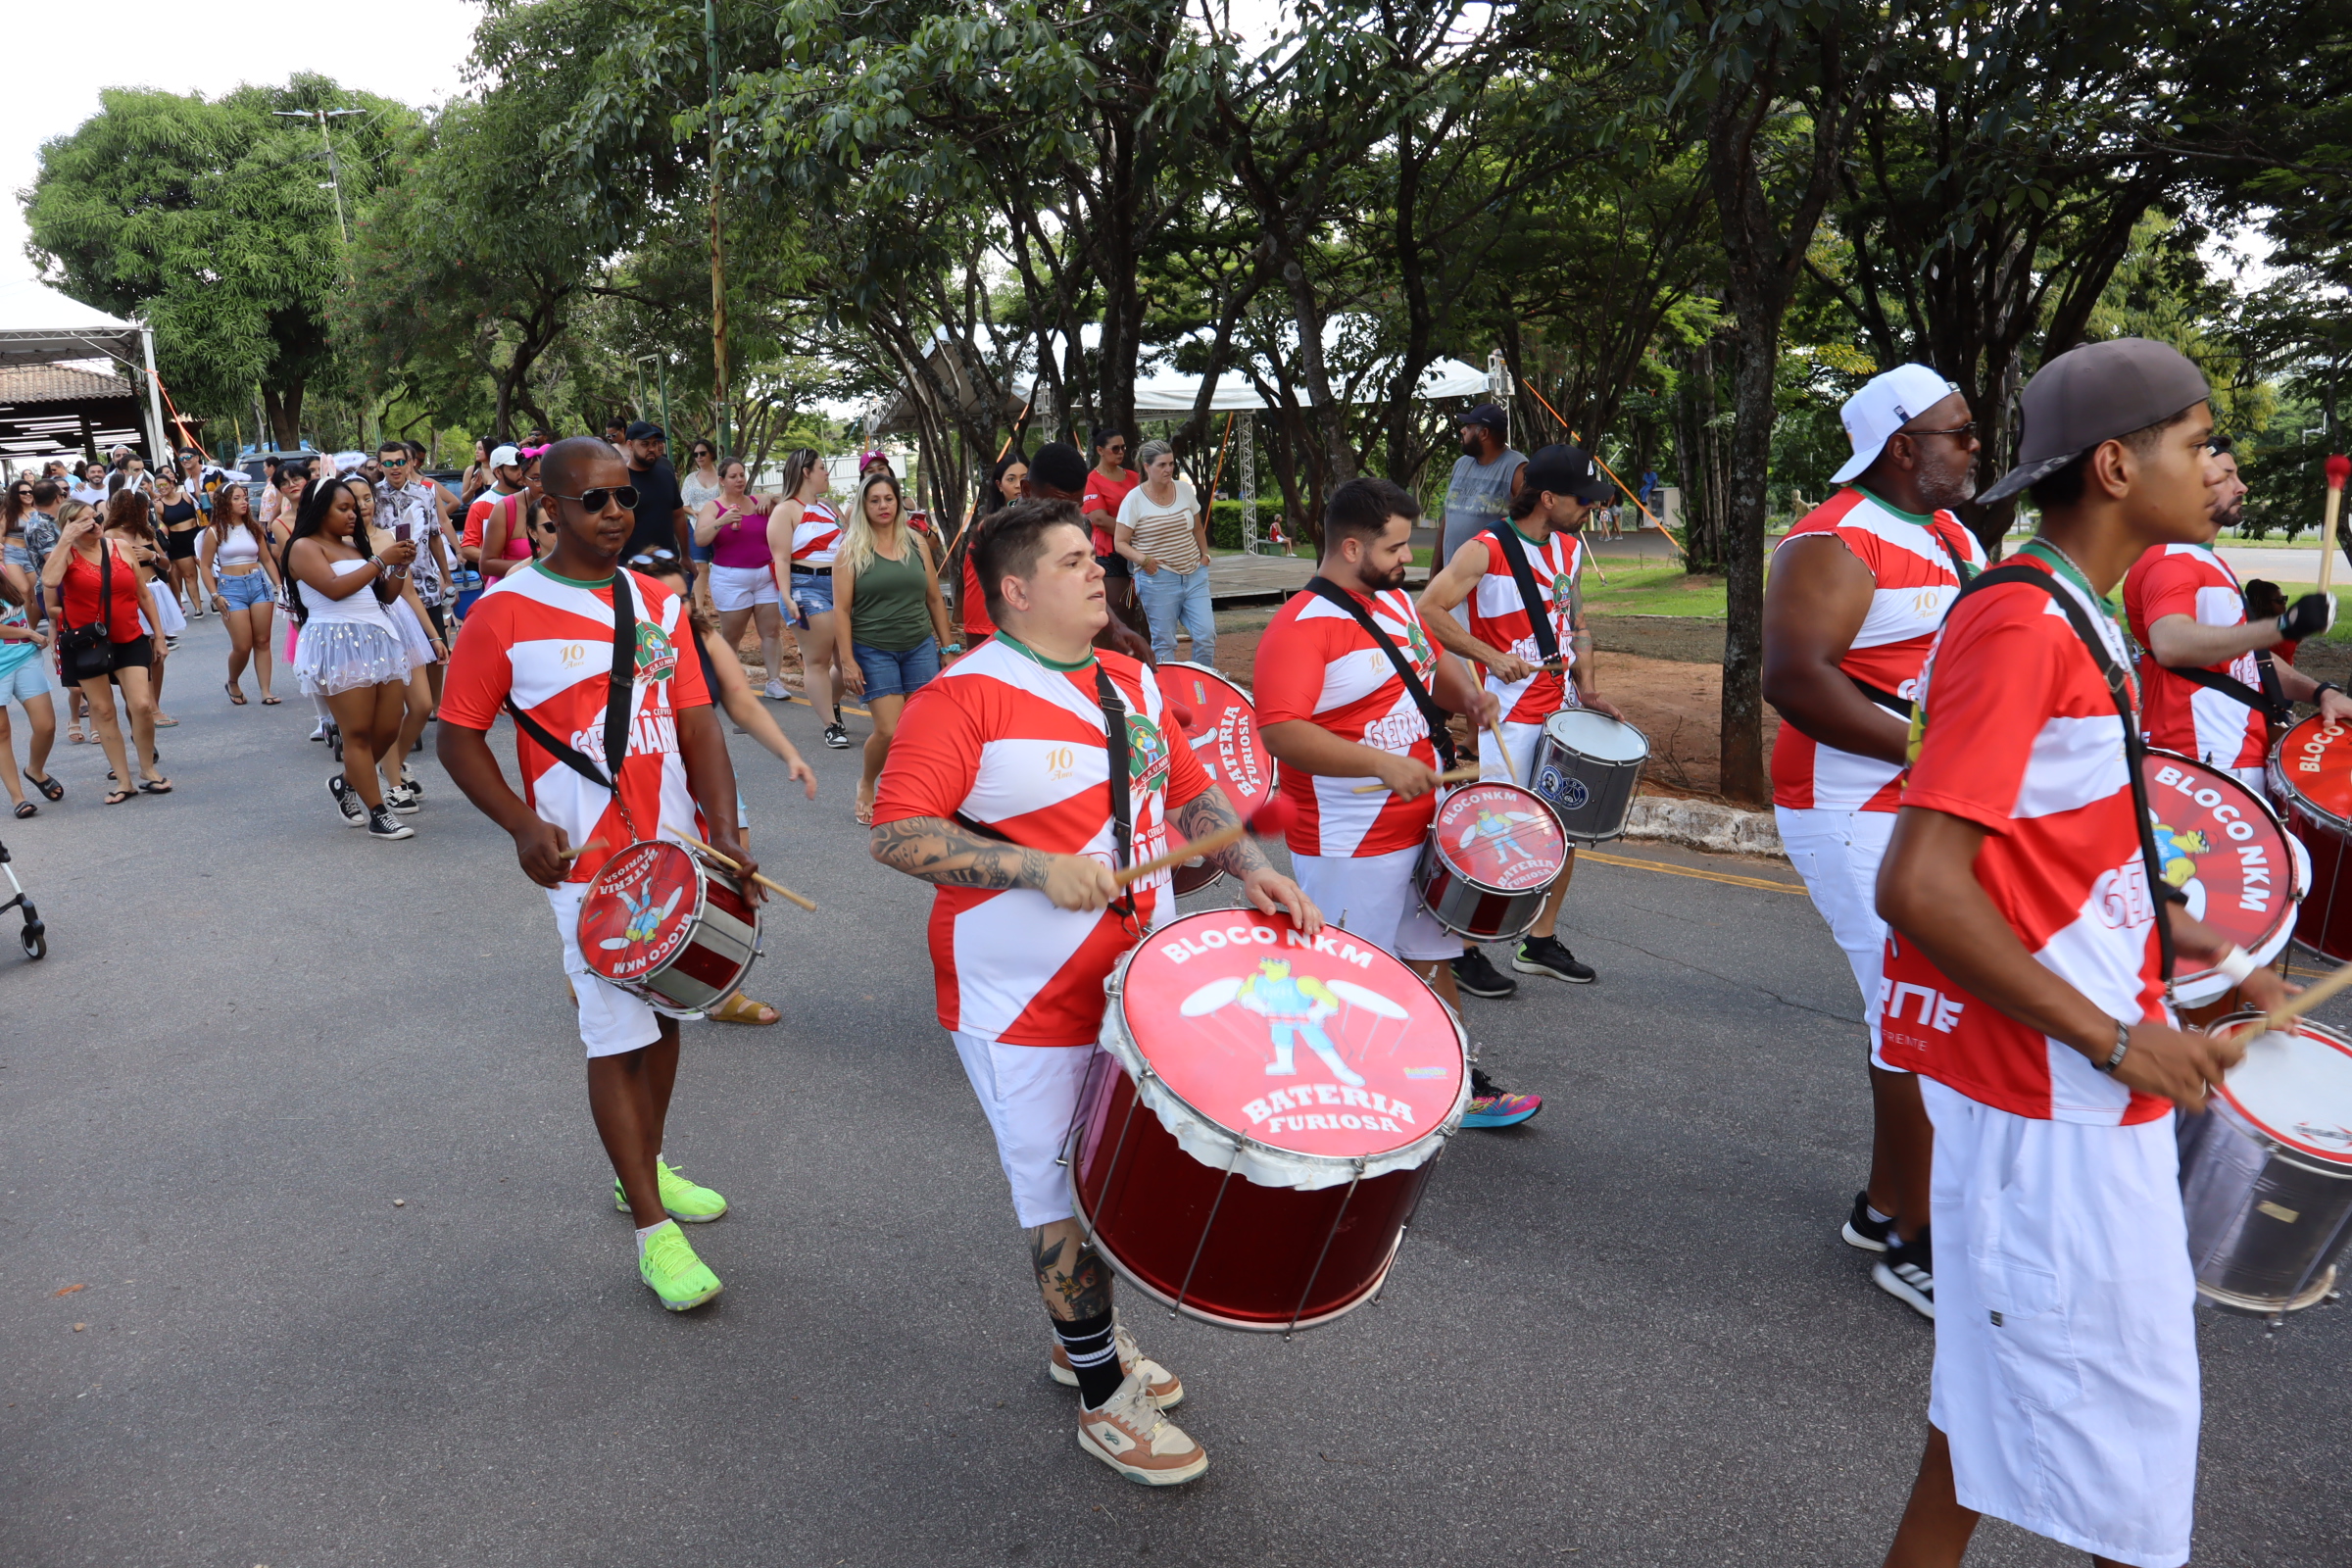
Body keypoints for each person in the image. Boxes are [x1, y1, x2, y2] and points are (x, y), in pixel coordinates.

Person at [1875, 338, 2277, 1568]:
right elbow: (1921, 882)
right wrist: (2117, 1035)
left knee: (1982, 1430)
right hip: (2054, 1105)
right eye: (2198, 441)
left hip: (2070, 1092)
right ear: (2115, 464)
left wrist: (2189, 939)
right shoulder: (2023, 624)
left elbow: (2048, 846)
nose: (2216, 465)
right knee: (2134, 1462)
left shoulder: (2079, 614)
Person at [869, 495, 1318, 1485]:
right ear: (1018, 588)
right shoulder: (965, 694)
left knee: (1112, 1173)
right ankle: (1102, 1394)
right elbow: (897, 829)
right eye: (1073, 559)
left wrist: (1251, 867)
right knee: (1055, 1195)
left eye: (1094, 556)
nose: (1094, 570)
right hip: (1018, 998)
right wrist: (1033, 869)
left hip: (1135, 980)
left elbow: (1190, 791)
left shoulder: (1130, 679)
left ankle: (1086, 1341)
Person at [438, 436, 757, 1312]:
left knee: (667, 1014)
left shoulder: (657, 599)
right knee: (616, 1034)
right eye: (595, 501)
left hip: (676, 856)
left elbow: (697, 725)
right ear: (549, 508)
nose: (616, 513)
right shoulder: (503, 610)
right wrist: (517, 824)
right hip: (588, 870)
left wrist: (724, 835)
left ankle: (641, 1170)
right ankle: (656, 1231)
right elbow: (456, 735)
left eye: (625, 498)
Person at [1759, 363, 1991, 1320]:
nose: (1975, 446)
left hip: (1923, 798)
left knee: (1913, 1005)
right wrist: (1930, 749)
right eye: (1960, 433)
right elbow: (1797, 678)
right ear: (1904, 446)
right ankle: (1919, 1243)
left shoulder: (1948, 533)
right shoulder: (1834, 538)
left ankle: (1884, 1204)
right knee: (1916, 1011)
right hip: (1848, 805)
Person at [1253, 477, 1540, 1129]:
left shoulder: (1393, 604)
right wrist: (1381, 764)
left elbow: (1428, 662)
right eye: (1397, 547)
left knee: (1428, 954)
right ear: (1352, 548)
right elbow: (1280, 730)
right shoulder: (1301, 628)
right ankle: (1334, 1109)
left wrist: (1468, 696)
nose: (1408, 559)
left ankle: (1456, 1080)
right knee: (1350, 978)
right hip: (1349, 841)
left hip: (1422, 823)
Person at [1419, 443, 1620, 991]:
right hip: (1509, 715)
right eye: (1584, 499)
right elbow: (1429, 609)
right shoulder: (1486, 550)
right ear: (1548, 497)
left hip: (1562, 706)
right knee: (1497, 830)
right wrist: (1489, 657)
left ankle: (1539, 941)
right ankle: (1461, 945)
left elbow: (1576, 622)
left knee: (1566, 827)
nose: (1592, 508)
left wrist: (1590, 687)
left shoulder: (1571, 547)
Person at [627, 541, 815, 1026]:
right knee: (644, 883)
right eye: (665, 600)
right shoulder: (617, 638)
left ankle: (720, 988)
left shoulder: (702, 635)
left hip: (706, 773)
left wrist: (789, 753)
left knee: (730, 876)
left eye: (683, 599)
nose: (676, 609)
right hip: (642, 775)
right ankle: (611, 969)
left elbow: (742, 701)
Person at [2123, 431, 2347, 791]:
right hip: (2200, 760)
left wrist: (2322, 692)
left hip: (2232, 755)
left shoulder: (2210, 563)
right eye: (2226, 476)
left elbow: (2248, 658)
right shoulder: (2171, 561)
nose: (2241, 487)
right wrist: (2285, 625)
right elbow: (2170, 642)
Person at [282, 476, 416, 839]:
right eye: (343, 508)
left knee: (388, 728)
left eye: (354, 508)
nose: (353, 514)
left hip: (378, 640)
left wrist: (400, 566)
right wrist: (379, 559)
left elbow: (385, 596)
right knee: (356, 733)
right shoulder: (303, 547)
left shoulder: (354, 549)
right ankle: (379, 813)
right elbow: (335, 589)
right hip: (336, 643)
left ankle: (345, 783)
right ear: (319, 510)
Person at [836, 470, 954, 825]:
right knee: (888, 730)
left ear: (898, 501)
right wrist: (847, 661)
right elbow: (841, 610)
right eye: (874, 500)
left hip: (918, 645)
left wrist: (948, 648)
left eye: (888, 498)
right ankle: (868, 783)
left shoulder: (917, 543)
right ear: (864, 506)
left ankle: (916, 793)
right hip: (873, 648)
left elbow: (934, 598)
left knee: (923, 728)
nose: (883, 506)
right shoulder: (850, 549)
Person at [39, 496, 171, 803]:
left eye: (95, 518)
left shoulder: (120, 547)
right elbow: (49, 580)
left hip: (129, 636)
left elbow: (143, 595)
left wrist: (160, 636)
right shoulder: (67, 554)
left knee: (140, 704)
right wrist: (64, 541)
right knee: (103, 710)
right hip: (86, 642)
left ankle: (148, 770)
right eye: (84, 521)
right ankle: (123, 780)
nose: (94, 525)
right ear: (69, 527)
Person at [353, 479, 447, 813]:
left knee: (422, 705)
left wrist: (433, 635)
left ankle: (391, 764)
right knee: (387, 714)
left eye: (367, 498)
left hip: (402, 623)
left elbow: (407, 593)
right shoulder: (343, 545)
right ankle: (394, 784)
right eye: (355, 499)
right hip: (369, 628)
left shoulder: (391, 537)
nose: (363, 504)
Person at [1023, 442, 1156, 666]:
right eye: (1054, 507)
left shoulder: (1071, 533)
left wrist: (1116, 628)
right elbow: (981, 634)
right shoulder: (996, 548)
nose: (1064, 519)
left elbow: (1087, 584)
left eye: (1073, 508)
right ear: (1027, 491)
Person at [770, 448, 851, 749]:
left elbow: (849, 538)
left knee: (847, 660)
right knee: (817, 660)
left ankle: (831, 705)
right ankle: (831, 725)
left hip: (840, 585)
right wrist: (787, 596)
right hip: (806, 586)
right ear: (806, 471)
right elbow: (780, 559)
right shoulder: (786, 510)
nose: (826, 473)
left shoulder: (830, 507)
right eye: (821, 467)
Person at [696, 460, 791, 699]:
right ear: (722, 480)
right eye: (733, 476)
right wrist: (721, 521)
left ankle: (774, 682)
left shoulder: (760, 502)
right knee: (732, 635)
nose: (739, 480)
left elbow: (790, 501)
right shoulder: (713, 507)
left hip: (765, 574)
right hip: (730, 577)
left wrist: (771, 496)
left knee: (771, 631)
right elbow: (700, 539)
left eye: (742, 475)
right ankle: (728, 682)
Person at [1115, 440, 1213, 667]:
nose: (1168, 469)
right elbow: (1120, 543)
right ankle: (1166, 696)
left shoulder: (1184, 489)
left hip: (1194, 574)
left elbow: (1197, 527)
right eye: (1161, 465)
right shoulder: (1134, 500)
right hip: (1158, 579)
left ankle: (1206, 687)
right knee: (1164, 643)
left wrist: (1205, 556)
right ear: (1147, 467)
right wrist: (1143, 559)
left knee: (1206, 635)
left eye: (1171, 463)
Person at [198, 481, 282, 706]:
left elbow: (266, 559)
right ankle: (233, 681)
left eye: (244, 498)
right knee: (242, 645)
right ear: (225, 503)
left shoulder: (253, 527)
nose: (244, 502)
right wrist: (214, 595)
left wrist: (279, 585)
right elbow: (205, 566)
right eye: (237, 498)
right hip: (230, 588)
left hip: (258, 585)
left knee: (263, 640)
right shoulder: (215, 531)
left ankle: (266, 690)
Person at [0, 558, 60, 817]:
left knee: (46, 725)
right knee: (1, 733)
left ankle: (35, 769)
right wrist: (28, 634)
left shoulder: (5, 568)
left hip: (24, 659)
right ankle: (18, 798)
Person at [1080, 425, 1150, 645]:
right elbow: (1099, 518)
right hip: (1109, 552)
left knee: (1147, 607)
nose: (1121, 452)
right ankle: (1113, 658)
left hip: (1140, 549)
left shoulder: (1134, 477)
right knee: (1118, 607)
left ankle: (1146, 656)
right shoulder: (1092, 480)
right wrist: (1133, 534)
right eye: (1115, 448)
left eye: (1123, 448)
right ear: (1100, 450)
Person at [955, 451, 1026, 649]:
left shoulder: (1030, 521)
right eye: (1011, 479)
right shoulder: (991, 525)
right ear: (999, 485)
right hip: (986, 616)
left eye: (1024, 478)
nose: (1019, 485)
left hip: (1018, 614)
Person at [1438, 404, 1526, 562]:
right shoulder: (1461, 464)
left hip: (1491, 581)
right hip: (1451, 579)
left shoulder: (1516, 469)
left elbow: (1530, 528)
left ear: (1484, 433)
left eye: (1469, 427)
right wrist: (1434, 576)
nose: (1462, 430)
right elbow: (1447, 522)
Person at [620, 420, 690, 565]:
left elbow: (678, 516)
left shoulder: (666, 475)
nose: (651, 448)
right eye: (645, 444)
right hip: (633, 566)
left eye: (654, 443)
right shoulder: (619, 480)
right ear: (630, 445)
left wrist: (686, 555)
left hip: (668, 564)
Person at [477, 448, 550, 580]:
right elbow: (487, 564)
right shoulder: (505, 508)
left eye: (550, 476)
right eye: (536, 478)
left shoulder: (568, 506)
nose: (544, 484)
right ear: (523, 479)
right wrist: (538, 567)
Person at [461, 445, 526, 569]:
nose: (521, 472)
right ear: (498, 472)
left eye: (522, 466)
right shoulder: (481, 504)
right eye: (514, 468)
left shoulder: (534, 498)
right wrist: (506, 563)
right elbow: (468, 549)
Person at [153, 469, 206, 618]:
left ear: (171, 483)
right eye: (158, 486)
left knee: (207, 569)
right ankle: (198, 608)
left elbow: (201, 502)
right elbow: (159, 525)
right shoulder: (159, 505)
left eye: (164, 484)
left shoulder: (186, 496)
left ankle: (216, 598)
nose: (162, 488)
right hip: (178, 542)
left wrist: (195, 481)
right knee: (189, 575)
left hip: (195, 537)